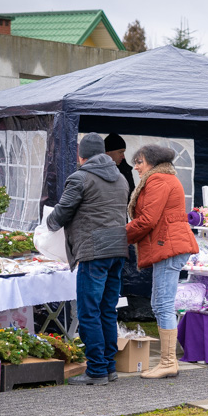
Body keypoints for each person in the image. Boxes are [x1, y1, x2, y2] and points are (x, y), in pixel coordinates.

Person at [48, 133, 129, 386]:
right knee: (107, 310)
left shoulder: (80, 177)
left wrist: (47, 224)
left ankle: (96, 370)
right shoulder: (121, 178)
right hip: (118, 250)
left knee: (89, 312)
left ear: (81, 156)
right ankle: (109, 367)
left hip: (94, 252)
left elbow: (61, 212)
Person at [126, 144, 198, 379]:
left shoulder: (159, 180)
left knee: (163, 305)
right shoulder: (165, 178)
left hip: (169, 246)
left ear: (152, 162)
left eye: (140, 161)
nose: (136, 166)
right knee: (159, 304)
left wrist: (118, 236)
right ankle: (168, 361)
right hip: (169, 245)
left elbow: (147, 219)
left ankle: (168, 362)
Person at [104, 133, 136, 199]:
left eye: (123, 152)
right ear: (107, 152)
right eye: (120, 152)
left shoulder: (126, 171)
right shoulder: (97, 170)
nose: (123, 156)